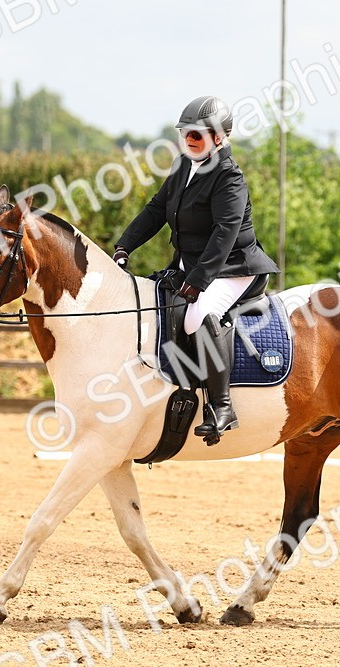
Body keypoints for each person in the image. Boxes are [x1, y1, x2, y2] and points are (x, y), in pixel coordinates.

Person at [113, 96, 278, 442]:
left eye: (197, 135)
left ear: (219, 138)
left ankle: (222, 407)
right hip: (193, 265)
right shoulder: (181, 168)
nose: (189, 140)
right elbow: (155, 210)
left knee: (198, 315)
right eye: (185, 133)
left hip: (234, 268)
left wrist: (199, 281)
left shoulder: (229, 178)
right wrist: (124, 245)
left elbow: (225, 233)